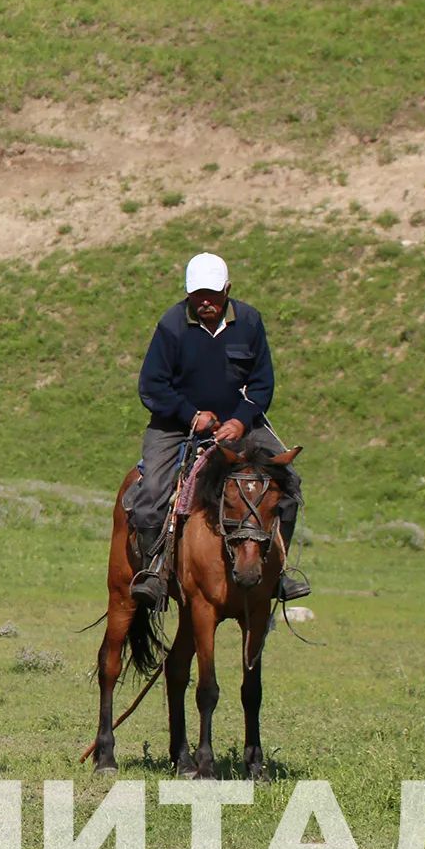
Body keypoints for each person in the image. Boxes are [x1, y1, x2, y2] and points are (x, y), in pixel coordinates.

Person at [126, 252, 307, 610]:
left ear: (227, 290)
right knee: (152, 494)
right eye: (197, 295)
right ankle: (154, 572)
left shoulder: (250, 322)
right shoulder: (172, 325)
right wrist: (191, 415)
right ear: (188, 293)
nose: (205, 302)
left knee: (289, 482)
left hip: (238, 425)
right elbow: (152, 385)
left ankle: (278, 572)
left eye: (212, 294)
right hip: (176, 426)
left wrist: (240, 419)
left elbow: (262, 384)